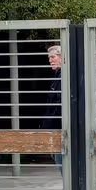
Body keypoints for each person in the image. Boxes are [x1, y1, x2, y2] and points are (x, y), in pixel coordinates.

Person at [43, 45, 63, 173]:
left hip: (60, 129)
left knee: (61, 161)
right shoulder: (58, 76)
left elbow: (60, 104)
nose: (50, 60)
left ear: (61, 57)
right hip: (55, 128)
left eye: (53, 57)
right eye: (49, 57)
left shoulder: (63, 77)